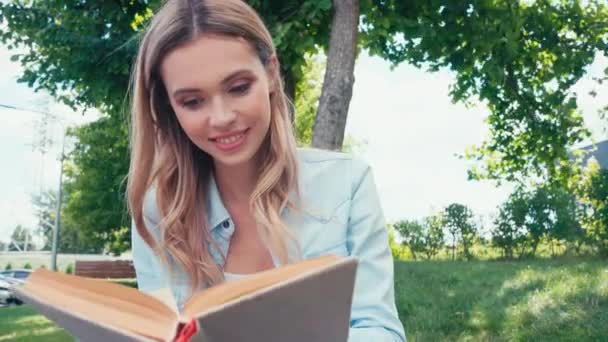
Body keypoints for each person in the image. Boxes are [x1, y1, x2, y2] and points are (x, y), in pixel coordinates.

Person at [127, 0, 406, 340]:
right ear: (168, 107)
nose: (221, 117)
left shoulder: (347, 184)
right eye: (192, 101)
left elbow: (380, 331)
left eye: (239, 87)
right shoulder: (160, 211)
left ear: (271, 73)